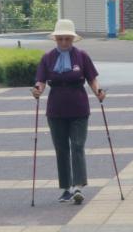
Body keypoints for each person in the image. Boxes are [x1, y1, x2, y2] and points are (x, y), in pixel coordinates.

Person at [32, 18, 105, 204]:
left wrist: (98, 92)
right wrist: (37, 90)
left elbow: (92, 79)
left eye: (67, 39)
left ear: (73, 39)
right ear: (55, 39)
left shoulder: (82, 56)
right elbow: (40, 81)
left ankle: (78, 186)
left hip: (79, 108)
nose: (64, 42)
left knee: (78, 146)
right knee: (61, 148)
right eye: (60, 39)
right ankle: (66, 188)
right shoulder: (47, 58)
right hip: (55, 109)